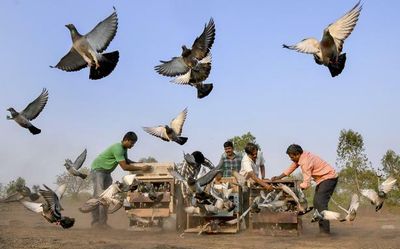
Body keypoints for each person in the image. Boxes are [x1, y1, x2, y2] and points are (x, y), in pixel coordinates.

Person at [272, 144, 338, 235]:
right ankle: (323, 229)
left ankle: (325, 231)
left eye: (291, 157)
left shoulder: (305, 162)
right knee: (316, 202)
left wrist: (294, 191)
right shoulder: (302, 156)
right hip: (322, 179)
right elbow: (291, 168)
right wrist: (278, 177)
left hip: (329, 178)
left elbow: (306, 184)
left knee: (320, 203)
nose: (291, 159)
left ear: (297, 154)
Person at [90, 131, 152, 229]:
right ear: (126, 140)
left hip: (106, 172)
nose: (132, 145)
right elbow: (124, 167)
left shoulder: (124, 149)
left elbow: (126, 161)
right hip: (98, 170)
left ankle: (102, 223)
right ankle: (96, 223)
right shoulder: (118, 148)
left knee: (107, 198)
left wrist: (137, 163)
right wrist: (141, 168)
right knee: (100, 197)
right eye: (131, 143)